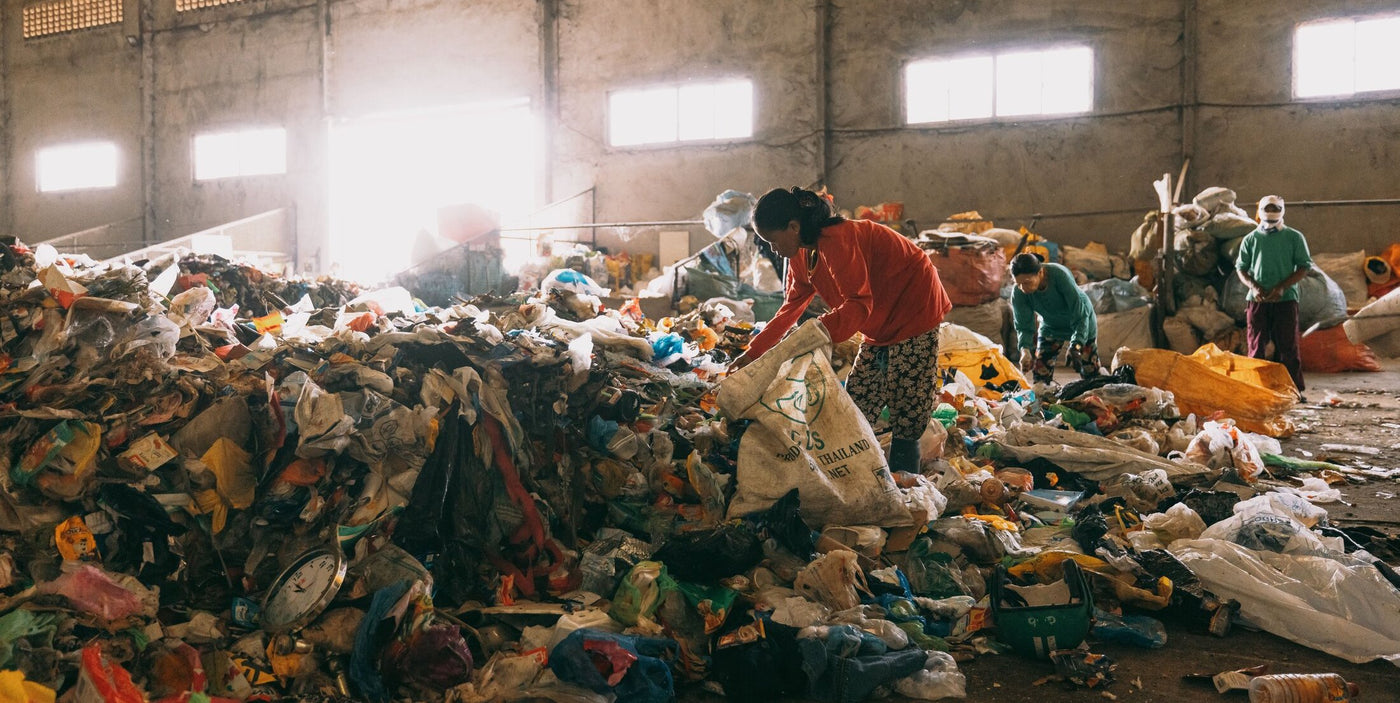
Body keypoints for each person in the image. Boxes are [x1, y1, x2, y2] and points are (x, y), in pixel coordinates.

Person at [730, 187, 952, 473]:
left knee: (906, 405)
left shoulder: (837, 240)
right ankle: (863, 477)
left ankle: (906, 487)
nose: (773, 249)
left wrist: (816, 333)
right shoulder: (799, 254)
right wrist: (753, 353)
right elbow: (792, 305)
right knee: (859, 400)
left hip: (913, 304)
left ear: (794, 227)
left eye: (772, 241)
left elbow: (858, 306)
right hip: (881, 315)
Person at [1235, 195, 1313, 393]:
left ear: (1282, 211)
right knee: (1256, 347)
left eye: (1275, 209)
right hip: (1257, 300)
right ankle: (1256, 389)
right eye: (1267, 209)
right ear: (1260, 211)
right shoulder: (1251, 239)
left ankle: (1294, 390)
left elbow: (1304, 266)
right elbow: (1241, 268)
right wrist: (1254, 286)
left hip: (1285, 300)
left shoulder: (1294, 237)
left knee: (1288, 347)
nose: (1270, 214)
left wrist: (1281, 287)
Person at [1009, 253, 1100, 385]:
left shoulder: (1059, 275)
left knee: (1091, 376)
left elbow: (1079, 314)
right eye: (1019, 284)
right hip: (1051, 326)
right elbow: (1023, 325)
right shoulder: (1019, 292)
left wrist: (1076, 345)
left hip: (1081, 320)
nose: (1023, 288)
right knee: (1041, 376)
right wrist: (1025, 350)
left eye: (1027, 282)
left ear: (1040, 272)